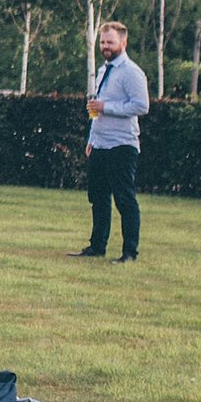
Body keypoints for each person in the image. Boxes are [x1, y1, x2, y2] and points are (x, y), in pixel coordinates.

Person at [70, 20, 149, 263]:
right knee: (98, 196)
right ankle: (97, 245)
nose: (106, 46)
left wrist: (107, 107)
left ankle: (129, 252)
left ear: (123, 43)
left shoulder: (131, 72)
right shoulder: (104, 71)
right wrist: (92, 138)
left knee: (124, 198)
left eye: (110, 42)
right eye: (103, 42)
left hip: (121, 144)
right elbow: (97, 108)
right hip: (101, 143)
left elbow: (141, 105)